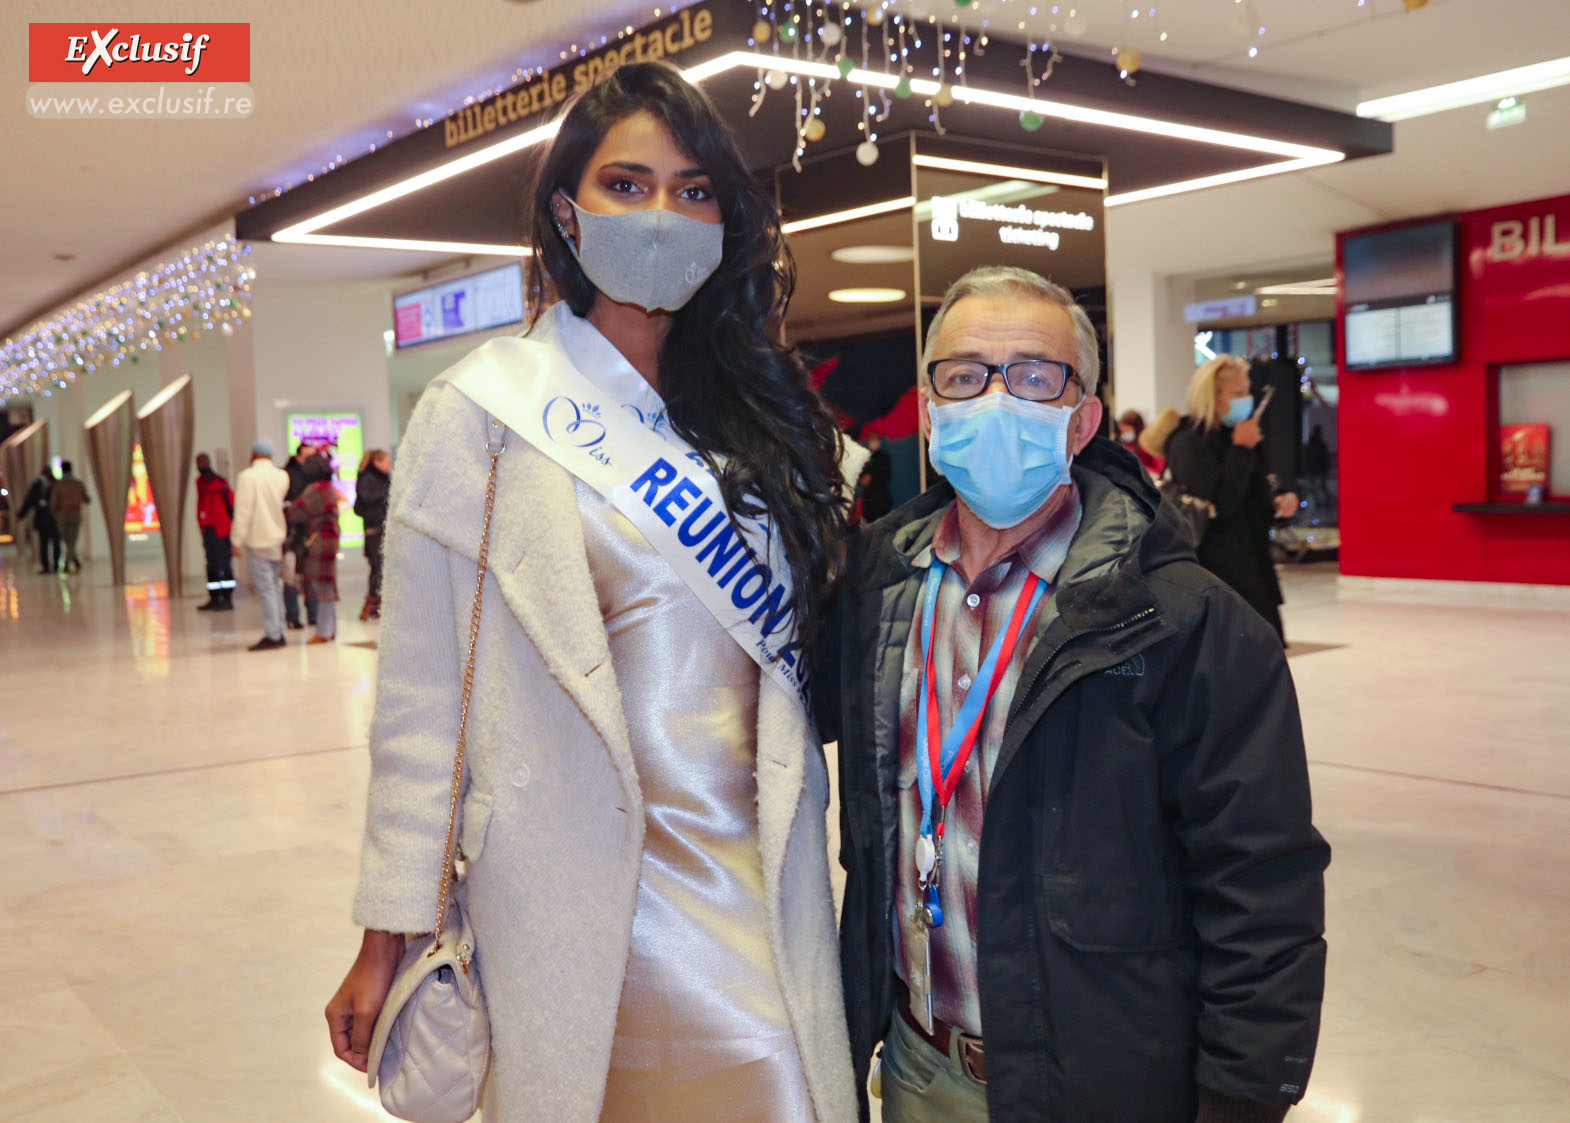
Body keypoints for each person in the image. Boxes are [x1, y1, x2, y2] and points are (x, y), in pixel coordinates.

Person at [326, 62, 863, 1123]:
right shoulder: (480, 411)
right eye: (627, 184)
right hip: (559, 898)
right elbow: (421, 706)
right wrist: (385, 934)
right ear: (566, 212)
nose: (661, 213)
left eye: (693, 189)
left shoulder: (762, 427)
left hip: (750, 889)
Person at [818, 268, 1327, 1123]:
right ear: (930, 407)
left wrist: (1240, 1100)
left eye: (1034, 375)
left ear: (1083, 417)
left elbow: (1261, 888)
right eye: (965, 373)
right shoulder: (879, 589)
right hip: (913, 1066)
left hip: (1099, 1082)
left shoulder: (1183, 622)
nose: (996, 396)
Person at [1161, 356, 1299, 643]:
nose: (1246, 399)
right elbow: (1222, 504)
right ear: (1212, 395)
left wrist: (1276, 505)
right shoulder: (1190, 441)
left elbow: (1252, 501)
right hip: (1213, 571)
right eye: (1238, 393)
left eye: (1248, 391)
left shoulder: (1241, 436)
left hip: (1254, 567)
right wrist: (1240, 451)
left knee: (1264, 657)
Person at [232, 439, 292, 651]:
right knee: (276, 587)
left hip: (259, 540)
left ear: (254, 453)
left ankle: (273, 634)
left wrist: (236, 539)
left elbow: (244, 511)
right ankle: (279, 630)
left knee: (266, 589)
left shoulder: (248, 477)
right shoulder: (282, 476)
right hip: (278, 537)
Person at [288, 452, 341, 644]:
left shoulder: (315, 490)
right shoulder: (328, 487)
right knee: (328, 583)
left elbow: (295, 513)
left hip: (319, 541)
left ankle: (323, 631)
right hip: (330, 540)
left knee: (322, 586)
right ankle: (331, 628)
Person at [353, 449, 392, 621]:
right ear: (377, 462)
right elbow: (365, 502)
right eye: (387, 462)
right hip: (375, 530)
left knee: (380, 568)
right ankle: (371, 605)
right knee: (378, 567)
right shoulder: (368, 480)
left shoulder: (380, 479)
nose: (390, 466)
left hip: (380, 529)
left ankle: (376, 605)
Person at [194, 453, 236, 611]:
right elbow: (200, 506)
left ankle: (227, 598)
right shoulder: (200, 483)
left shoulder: (220, 484)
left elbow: (230, 505)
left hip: (221, 529)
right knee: (211, 565)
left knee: (224, 564)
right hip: (209, 529)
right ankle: (214, 597)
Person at [282, 442, 317, 630]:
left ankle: (313, 614)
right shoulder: (287, 475)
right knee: (290, 576)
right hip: (291, 533)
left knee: (310, 575)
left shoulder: (315, 478)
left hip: (309, 532)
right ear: (299, 456)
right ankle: (293, 616)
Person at [49, 460, 91, 573]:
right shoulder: (78, 484)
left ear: (62, 470)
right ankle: (74, 562)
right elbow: (87, 499)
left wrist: (54, 513)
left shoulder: (58, 485)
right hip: (75, 515)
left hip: (61, 517)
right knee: (71, 541)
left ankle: (67, 564)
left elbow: (54, 502)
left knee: (68, 542)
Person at [19, 468, 60, 574]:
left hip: (52, 519)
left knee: (49, 543)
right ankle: (49, 566)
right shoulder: (42, 485)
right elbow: (29, 501)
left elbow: (29, 501)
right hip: (48, 519)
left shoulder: (53, 485)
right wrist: (21, 515)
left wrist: (20, 515)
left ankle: (52, 565)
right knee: (47, 543)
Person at [1117, 408, 1165, 478]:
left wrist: (1138, 468)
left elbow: (1159, 470)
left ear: (1137, 428)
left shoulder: (1150, 439)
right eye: (1122, 431)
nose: (1124, 434)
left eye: (1127, 430)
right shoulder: (1128, 442)